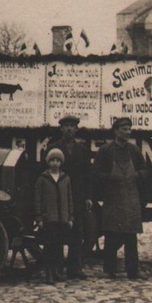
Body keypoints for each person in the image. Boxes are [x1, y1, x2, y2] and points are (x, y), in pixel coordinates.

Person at [93, 117, 147, 280]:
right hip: (113, 197)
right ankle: (109, 270)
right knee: (112, 235)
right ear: (116, 131)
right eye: (124, 129)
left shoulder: (134, 150)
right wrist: (110, 177)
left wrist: (136, 175)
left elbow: (145, 170)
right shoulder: (106, 150)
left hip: (131, 197)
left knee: (131, 236)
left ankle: (133, 270)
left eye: (129, 129)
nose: (128, 132)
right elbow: (96, 173)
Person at [47, 115, 93, 280]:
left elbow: (88, 174)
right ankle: (58, 268)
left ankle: (75, 267)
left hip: (78, 196)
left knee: (77, 233)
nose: (68, 129)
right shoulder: (53, 148)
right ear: (60, 128)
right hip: (60, 197)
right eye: (65, 126)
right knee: (59, 232)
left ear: (76, 129)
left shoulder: (83, 150)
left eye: (72, 126)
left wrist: (88, 196)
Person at [33, 148, 73, 285]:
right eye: (52, 160)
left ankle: (57, 271)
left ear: (61, 162)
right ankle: (48, 273)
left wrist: (70, 217)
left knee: (58, 246)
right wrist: (39, 218)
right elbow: (37, 199)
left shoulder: (65, 178)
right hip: (49, 218)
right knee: (49, 247)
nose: (55, 163)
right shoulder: (42, 179)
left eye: (57, 161)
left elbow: (69, 198)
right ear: (48, 162)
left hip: (62, 218)